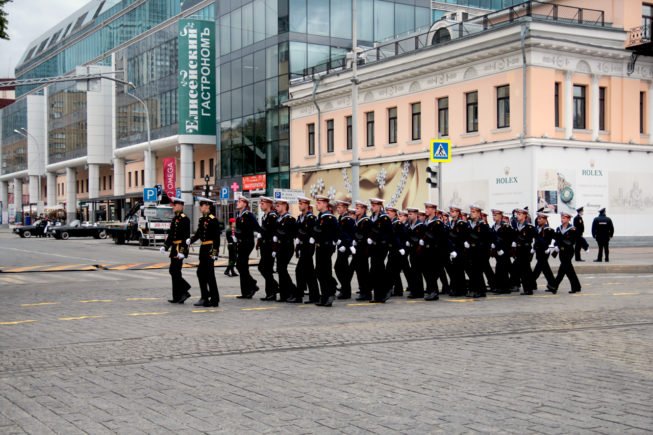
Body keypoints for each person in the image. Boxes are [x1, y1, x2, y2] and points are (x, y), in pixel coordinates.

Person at [187, 197, 221, 307]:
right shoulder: (202, 220)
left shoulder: (213, 220)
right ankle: (205, 297)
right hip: (203, 249)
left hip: (210, 248)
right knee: (200, 273)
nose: (200, 208)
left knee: (210, 275)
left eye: (202, 206)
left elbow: (217, 237)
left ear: (207, 206)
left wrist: (215, 252)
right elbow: (198, 234)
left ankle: (214, 299)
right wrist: (190, 240)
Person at [160, 197, 191, 304]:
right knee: (173, 271)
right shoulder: (175, 219)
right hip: (174, 248)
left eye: (175, 205)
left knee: (175, 271)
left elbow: (186, 237)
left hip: (179, 249)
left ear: (181, 206)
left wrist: (182, 251)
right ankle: (177, 296)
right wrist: (165, 246)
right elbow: (171, 235)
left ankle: (184, 291)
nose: (173, 207)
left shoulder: (184, 219)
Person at [312, 195, 339, 307]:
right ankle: (325, 296)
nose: (317, 205)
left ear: (325, 204)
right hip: (319, 247)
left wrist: (335, 242)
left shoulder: (330, 218)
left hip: (326, 248)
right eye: (317, 202)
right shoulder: (320, 217)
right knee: (319, 272)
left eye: (319, 203)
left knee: (325, 272)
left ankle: (329, 295)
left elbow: (337, 232)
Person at [271, 198, 297, 302]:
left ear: (284, 206)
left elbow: (290, 234)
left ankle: (294, 292)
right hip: (279, 247)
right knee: (280, 270)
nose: (276, 207)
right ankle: (284, 294)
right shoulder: (278, 219)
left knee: (282, 270)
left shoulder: (290, 219)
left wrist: (278, 235)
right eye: (276, 205)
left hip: (286, 247)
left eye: (278, 205)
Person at [549, 211, 582, 294]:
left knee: (563, 269)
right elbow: (557, 239)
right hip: (561, 251)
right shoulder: (559, 228)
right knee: (568, 269)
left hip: (569, 251)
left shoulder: (573, 229)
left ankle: (554, 285)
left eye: (564, 218)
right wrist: (556, 245)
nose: (562, 219)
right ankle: (577, 286)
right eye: (561, 218)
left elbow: (573, 240)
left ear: (568, 219)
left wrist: (562, 243)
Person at [294, 196, 319, 304]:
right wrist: (297, 246)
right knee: (308, 273)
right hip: (302, 247)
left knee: (301, 271)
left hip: (308, 248)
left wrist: (310, 246)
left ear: (307, 205)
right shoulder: (300, 218)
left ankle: (300, 295)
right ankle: (313, 296)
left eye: (301, 204)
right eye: (299, 203)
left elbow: (313, 233)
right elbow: (299, 232)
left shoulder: (311, 218)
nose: (299, 205)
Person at [368, 198, 393, 303]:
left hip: (381, 247)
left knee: (378, 269)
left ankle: (382, 294)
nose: (372, 207)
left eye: (374, 205)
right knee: (375, 270)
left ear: (379, 206)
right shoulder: (372, 217)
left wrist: (376, 238)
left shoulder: (384, 218)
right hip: (374, 247)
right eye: (372, 205)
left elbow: (388, 233)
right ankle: (379, 294)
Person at [234, 196, 260, 299]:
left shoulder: (248, 215)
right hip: (240, 243)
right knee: (240, 266)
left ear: (245, 204)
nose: (237, 203)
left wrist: (261, 236)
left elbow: (256, 226)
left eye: (240, 201)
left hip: (247, 242)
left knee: (242, 265)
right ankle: (249, 287)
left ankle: (250, 288)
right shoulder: (239, 215)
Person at [422, 202, 448, 300]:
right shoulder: (426, 221)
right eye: (426, 208)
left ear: (433, 210)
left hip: (435, 252)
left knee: (433, 272)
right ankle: (431, 291)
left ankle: (433, 292)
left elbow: (441, 239)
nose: (426, 210)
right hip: (426, 251)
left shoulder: (438, 223)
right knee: (428, 272)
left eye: (428, 208)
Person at [465, 204, 490, 298]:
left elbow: (486, 240)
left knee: (478, 271)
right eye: (471, 211)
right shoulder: (470, 224)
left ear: (479, 213)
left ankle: (479, 291)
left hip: (480, 252)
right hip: (471, 252)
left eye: (474, 212)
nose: (472, 214)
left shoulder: (483, 225)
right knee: (473, 271)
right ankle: (476, 290)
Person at [257, 197, 280, 301]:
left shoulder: (273, 216)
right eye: (260, 203)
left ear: (269, 204)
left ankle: (272, 291)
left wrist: (275, 249)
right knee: (264, 268)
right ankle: (272, 290)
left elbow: (274, 232)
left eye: (263, 203)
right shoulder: (264, 217)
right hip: (264, 246)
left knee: (265, 269)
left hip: (270, 246)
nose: (261, 205)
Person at [513, 207, 537, 295]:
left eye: (519, 214)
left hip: (526, 251)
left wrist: (533, 248)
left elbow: (536, 238)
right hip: (519, 250)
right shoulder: (517, 226)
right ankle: (528, 287)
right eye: (517, 214)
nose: (517, 216)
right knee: (523, 269)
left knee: (525, 270)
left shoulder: (529, 227)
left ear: (524, 216)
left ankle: (528, 289)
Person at [334, 200, 355, 300]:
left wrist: (347, 245)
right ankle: (345, 289)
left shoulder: (348, 220)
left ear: (346, 208)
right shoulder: (341, 218)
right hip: (340, 247)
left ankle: (346, 290)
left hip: (345, 247)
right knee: (341, 268)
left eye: (340, 207)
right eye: (337, 207)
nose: (338, 209)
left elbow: (349, 235)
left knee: (340, 267)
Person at [352, 200, 373, 301]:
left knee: (364, 271)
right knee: (359, 271)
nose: (356, 210)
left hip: (363, 250)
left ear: (364, 209)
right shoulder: (357, 220)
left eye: (358, 208)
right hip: (357, 249)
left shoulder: (366, 221)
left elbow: (366, 236)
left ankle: (367, 292)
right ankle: (362, 290)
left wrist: (358, 240)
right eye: (356, 208)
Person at [386, 206, 408, 297]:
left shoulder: (398, 224)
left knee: (392, 270)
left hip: (398, 251)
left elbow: (401, 237)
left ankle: (396, 290)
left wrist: (401, 248)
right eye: (387, 212)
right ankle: (397, 290)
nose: (388, 214)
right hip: (393, 250)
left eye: (390, 212)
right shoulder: (391, 223)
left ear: (395, 213)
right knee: (393, 271)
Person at [489, 209, 513, 294]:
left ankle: (505, 288)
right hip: (497, 251)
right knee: (499, 268)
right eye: (493, 215)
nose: (494, 217)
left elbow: (508, 239)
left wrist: (503, 249)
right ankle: (500, 287)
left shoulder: (505, 226)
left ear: (500, 216)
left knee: (503, 268)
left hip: (504, 251)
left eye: (495, 215)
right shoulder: (494, 226)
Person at [532, 212, 556, 290]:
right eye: (538, 218)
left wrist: (553, 247)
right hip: (539, 251)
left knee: (541, 268)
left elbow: (550, 240)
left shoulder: (548, 230)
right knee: (543, 268)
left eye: (540, 219)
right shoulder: (537, 228)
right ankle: (552, 284)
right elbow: (536, 240)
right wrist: (534, 247)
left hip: (544, 251)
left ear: (545, 220)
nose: (538, 220)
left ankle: (531, 282)